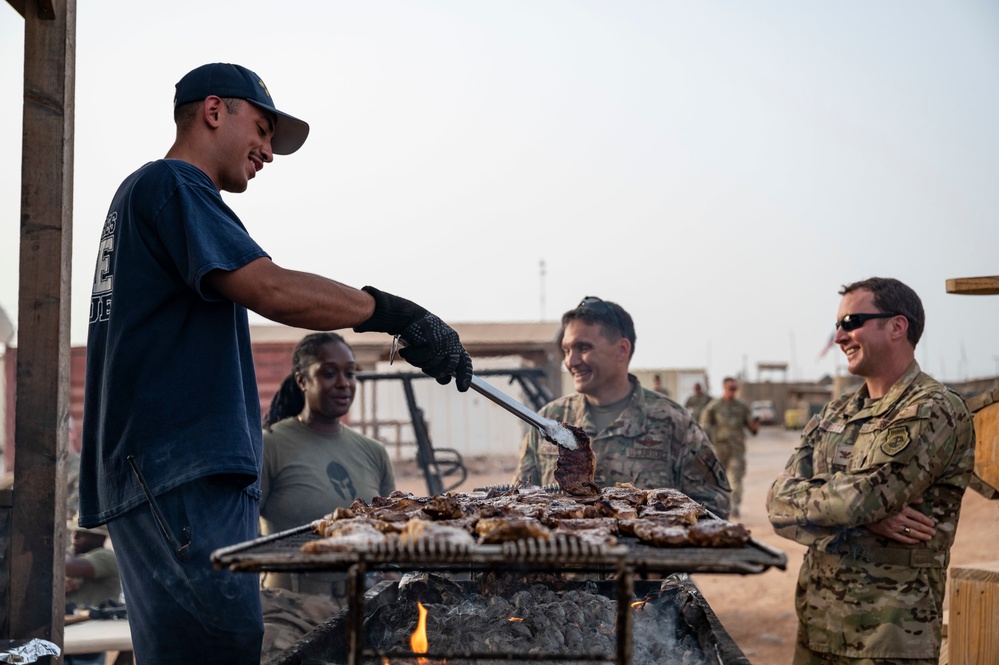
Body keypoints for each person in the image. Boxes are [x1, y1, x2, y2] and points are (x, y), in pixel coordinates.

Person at [79, 62, 473, 665]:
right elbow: (272, 289)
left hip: (173, 476)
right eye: (261, 129)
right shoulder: (172, 186)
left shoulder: (157, 198)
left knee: (209, 647)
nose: (268, 150)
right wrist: (393, 313)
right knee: (218, 649)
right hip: (182, 477)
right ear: (215, 111)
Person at [767, 277, 976, 664]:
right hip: (818, 626)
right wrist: (866, 520)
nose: (840, 336)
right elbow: (777, 503)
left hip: (890, 635)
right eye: (838, 326)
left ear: (897, 326)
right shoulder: (835, 412)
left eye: (851, 322)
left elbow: (862, 500)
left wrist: (843, 511)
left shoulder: (932, 408)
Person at [512, 296, 731, 517]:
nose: (571, 361)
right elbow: (520, 500)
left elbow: (715, 508)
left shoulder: (673, 422)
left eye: (583, 348)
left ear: (622, 350)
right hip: (567, 550)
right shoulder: (548, 421)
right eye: (567, 350)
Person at [259, 332, 396, 597]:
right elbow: (241, 533)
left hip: (364, 603)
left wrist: (390, 579)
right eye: (329, 373)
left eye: (350, 373)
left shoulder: (374, 452)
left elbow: (389, 537)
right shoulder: (269, 446)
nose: (344, 383)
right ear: (302, 380)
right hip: (291, 605)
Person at [699, 377, 759, 518]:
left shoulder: (742, 407)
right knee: (717, 480)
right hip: (720, 449)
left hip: (737, 449)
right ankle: (718, 507)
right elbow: (704, 426)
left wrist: (756, 425)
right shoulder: (714, 406)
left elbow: (752, 429)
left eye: (735, 388)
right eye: (731, 388)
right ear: (724, 388)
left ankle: (735, 506)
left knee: (736, 479)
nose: (733, 391)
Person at [65, 521, 122, 665]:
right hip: (73, 631)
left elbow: (68, 566)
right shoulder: (77, 557)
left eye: (83, 534)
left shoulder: (106, 557)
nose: (75, 537)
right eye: (75, 532)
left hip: (92, 634)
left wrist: (54, 544)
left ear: (99, 538)